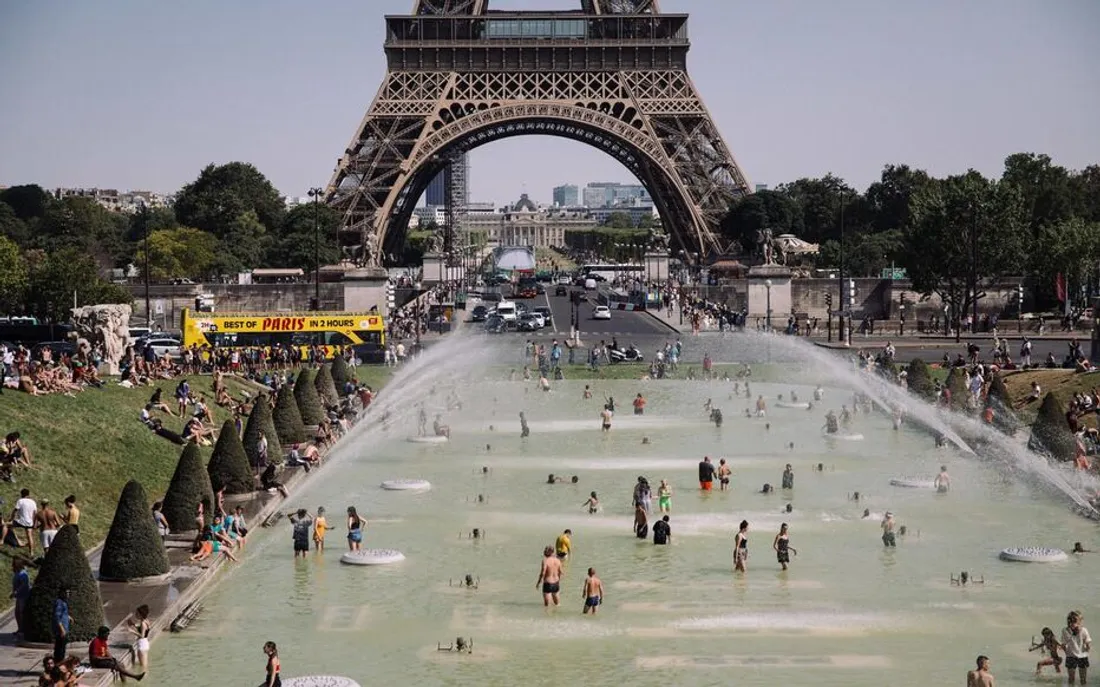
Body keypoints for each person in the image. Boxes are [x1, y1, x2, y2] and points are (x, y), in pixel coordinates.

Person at [1063, 610, 1091, 685]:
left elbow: (1063, 645)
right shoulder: (1066, 630)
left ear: (1080, 622)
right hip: (1075, 656)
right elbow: (1088, 645)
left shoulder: (1066, 630)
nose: (1072, 622)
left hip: (1077, 656)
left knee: (1077, 679)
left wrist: (1067, 652)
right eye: (1070, 620)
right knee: (1079, 679)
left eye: (1074, 620)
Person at [127, 604, 152, 672]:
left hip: (142, 645)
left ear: (141, 614)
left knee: (143, 667)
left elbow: (142, 636)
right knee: (145, 665)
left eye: (137, 613)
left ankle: (144, 678)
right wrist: (133, 624)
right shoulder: (146, 621)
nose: (136, 614)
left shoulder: (143, 623)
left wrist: (132, 631)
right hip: (145, 644)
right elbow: (143, 630)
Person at [11, 558, 30, 636]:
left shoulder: (23, 574)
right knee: (17, 613)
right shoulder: (17, 573)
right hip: (19, 596)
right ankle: (20, 629)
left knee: (22, 613)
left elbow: (24, 585)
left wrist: (16, 591)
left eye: (14, 565)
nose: (12, 566)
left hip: (23, 596)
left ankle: (23, 629)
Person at [52, 587, 71, 662]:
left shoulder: (64, 602)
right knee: (60, 649)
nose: (68, 594)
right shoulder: (59, 603)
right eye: (66, 593)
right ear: (61, 593)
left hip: (64, 629)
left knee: (62, 648)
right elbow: (57, 617)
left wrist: (68, 617)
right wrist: (62, 629)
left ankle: (60, 662)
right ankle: (58, 663)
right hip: (60, 630)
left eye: (68, 593)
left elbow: (63, 613)